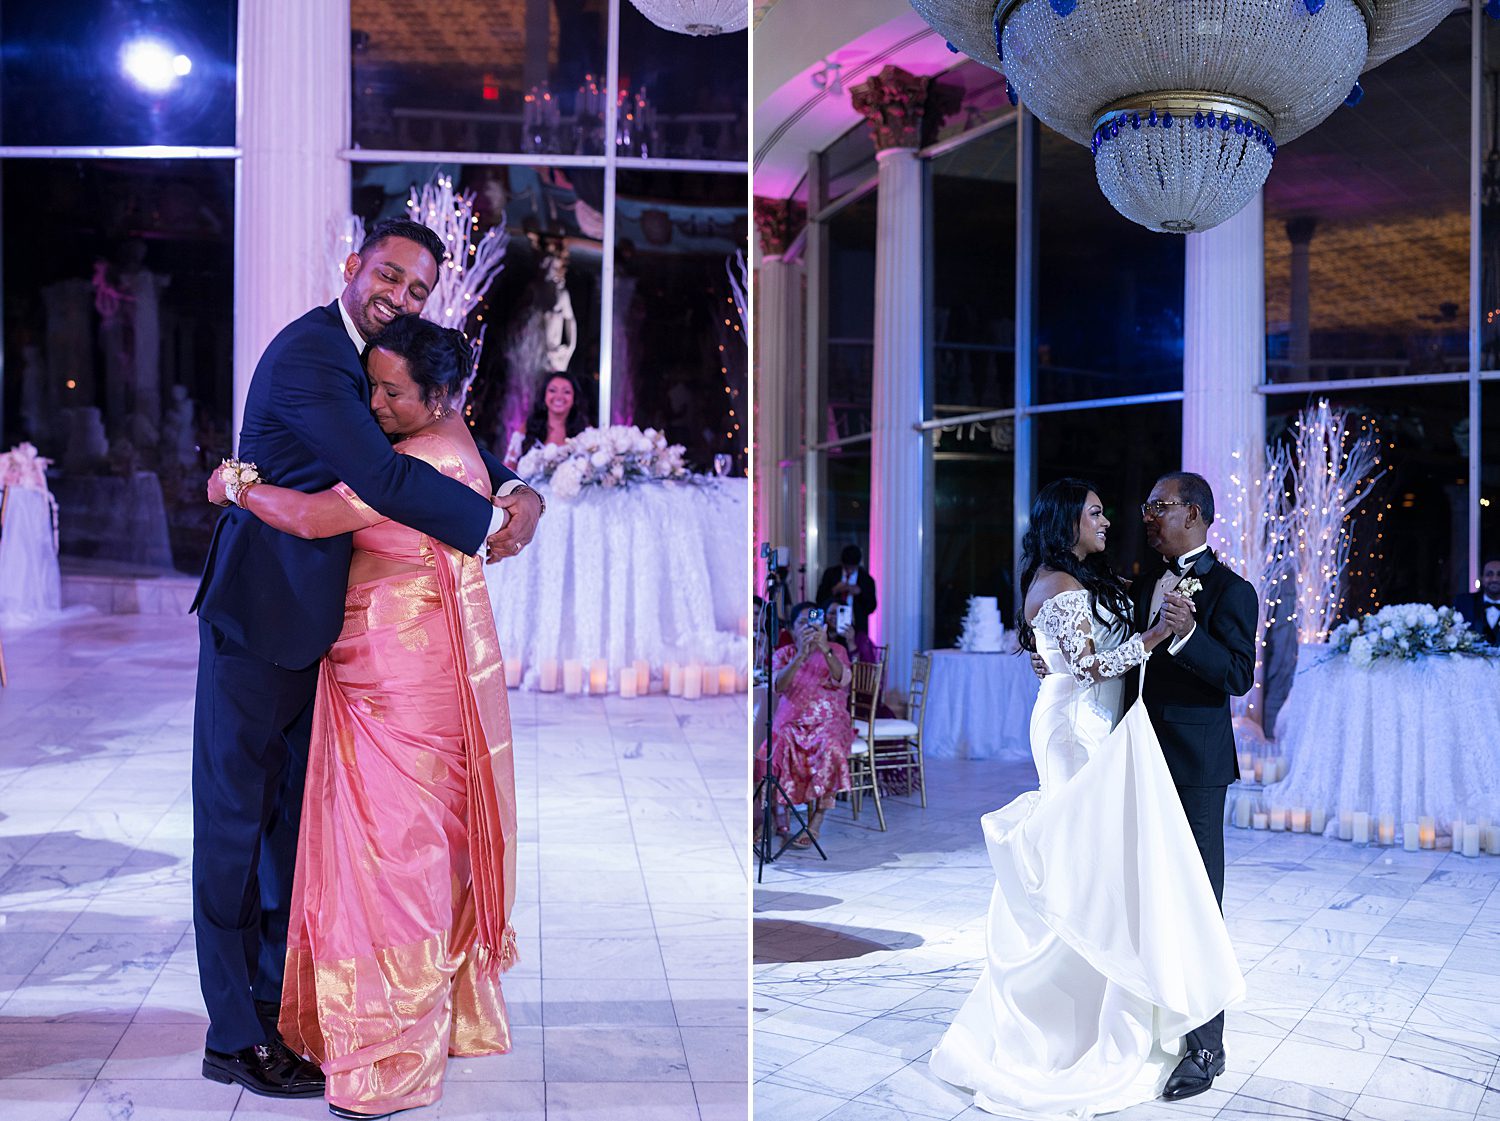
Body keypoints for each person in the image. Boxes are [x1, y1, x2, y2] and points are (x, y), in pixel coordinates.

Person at [191, 218, 542, 1102]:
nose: (401, 296)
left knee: (288, 836)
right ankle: (233, 1035)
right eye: (389, 276)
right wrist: (486, 521)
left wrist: (510, 483)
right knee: (235, 829)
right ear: (352, 268)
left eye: (419, 289)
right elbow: (383, 477)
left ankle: (280, 1008)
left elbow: (428, 429)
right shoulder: (313, 353)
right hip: (258, 620)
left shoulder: (378, 362)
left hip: (322, 635)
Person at [930, 478, 1244, 1117]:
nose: (1140, 517)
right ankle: (1093, 1019)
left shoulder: (1233, 591)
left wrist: (1181, 634)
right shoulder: (1127, 584)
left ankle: (1203, 1045)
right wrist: (1134, 638)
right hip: (1111, 748)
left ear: (1195, 514)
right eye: (1125, 508)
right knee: (1110, 881)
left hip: (1188, 763)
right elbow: (1092, 657)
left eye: (1158, 506)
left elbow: (1237, 674)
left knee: (1195, 895)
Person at [761, 602, 854, 849]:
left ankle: (817, 819)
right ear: (791, 630)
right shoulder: (784, 654)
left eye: (813, 622)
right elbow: (779, 686)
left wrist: (824, 649)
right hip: (792, 719)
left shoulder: (836, 650)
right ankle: (779, 816)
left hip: (829, 720)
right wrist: (801, 654)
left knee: (831, 748)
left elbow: (843, 678)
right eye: (802, 623)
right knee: (774, 747)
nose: (808, 627)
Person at [503, 370, 588, 468]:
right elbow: (508, 469)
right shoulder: (528, 428)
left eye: (566, 392)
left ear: (574, 398)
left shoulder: (584, 432)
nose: (559, 396)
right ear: (544, 396)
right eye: (552, 390)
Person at [815, 544, 877, 659]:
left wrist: (860, 593)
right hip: (830, 629)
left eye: (852, 567)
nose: (849, 570)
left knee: (855, 655)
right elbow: (819, 600)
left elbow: (871, 607)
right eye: (846, 567)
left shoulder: (866, 579)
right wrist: (834, 590)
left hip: (856, 626)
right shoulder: (831, 574)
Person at [1453, 557, 1500, 646]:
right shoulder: (1463, 603)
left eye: (1499, 574)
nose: (1494, 579)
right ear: (1481, 578)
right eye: (1489, 574)